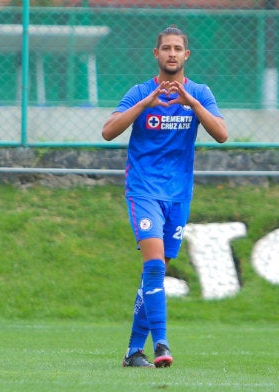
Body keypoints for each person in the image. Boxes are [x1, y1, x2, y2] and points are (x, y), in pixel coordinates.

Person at [102, 24, 228, 368]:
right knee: (155, 268)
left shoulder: (200, 92)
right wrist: (145, 103)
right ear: (156, 54)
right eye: (166, 48)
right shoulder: (141, 91)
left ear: (186, 55)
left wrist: (191, 103)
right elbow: (108, 131)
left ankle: (132, 352)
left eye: (177, 48)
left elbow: (221, 134)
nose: (171, 53)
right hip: (144, 190)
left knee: (153, 275)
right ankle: (161, 344)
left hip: (179, 195)